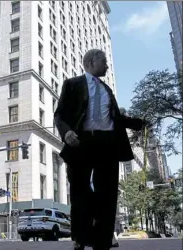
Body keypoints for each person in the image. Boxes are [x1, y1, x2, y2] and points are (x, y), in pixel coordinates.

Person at [54, 49, 147, 250]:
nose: (106, 65)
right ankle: (79, 237)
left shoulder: (107, 90)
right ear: (91, 62)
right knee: (80, 191)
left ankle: (103, 240)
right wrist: (67, 132)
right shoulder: (72, 84)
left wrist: (139, 123)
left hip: (107, 145)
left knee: (107, 193)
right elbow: (60, 115)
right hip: (81, 142)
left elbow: (116, 119)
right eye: (103, 61)